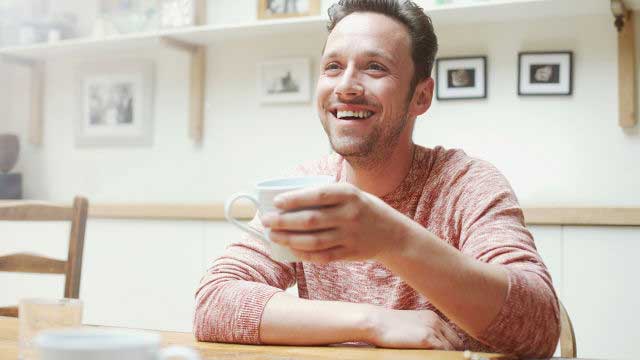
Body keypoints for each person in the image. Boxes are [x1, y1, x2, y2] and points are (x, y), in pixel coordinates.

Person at [194, 1, 560, 358]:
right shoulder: (309, 184)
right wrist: (373, 322)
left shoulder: (466, 184)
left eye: (374, 67)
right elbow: (215, 301)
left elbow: (538, 326)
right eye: (333, 66)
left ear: (421, 96)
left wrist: (391, 237)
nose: (347, 86)